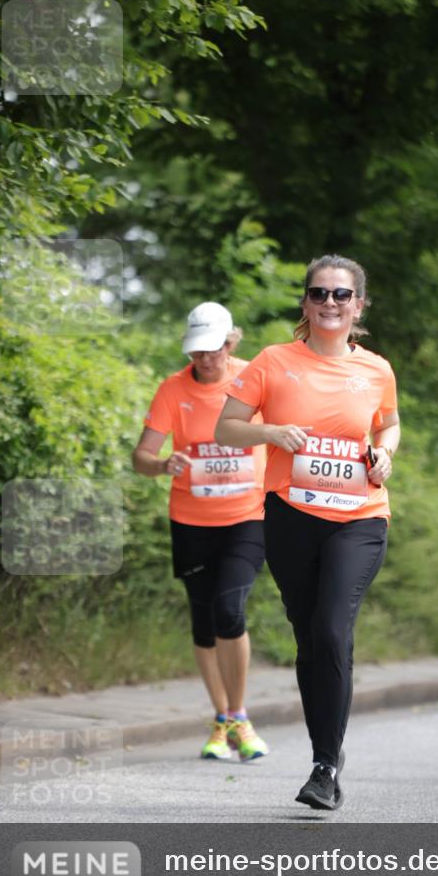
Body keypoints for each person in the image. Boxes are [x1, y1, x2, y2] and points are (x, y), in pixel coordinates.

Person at [215, 254, 399, 810]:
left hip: (360, 516)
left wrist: (384, 455)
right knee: (307, 637)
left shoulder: (376, 369)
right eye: (318, 294)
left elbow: (388, 424)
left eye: (341, 295)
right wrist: (271, 430)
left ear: (358, 305)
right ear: (306, 302)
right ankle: (327, 750)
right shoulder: (273, 361)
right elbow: (226, 427)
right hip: (292, 515)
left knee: (330, 627)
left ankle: (325, 766)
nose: (329, 303)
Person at [132, 302, 269, 762]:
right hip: (191, 520)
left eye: (213, 350)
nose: (204, 361)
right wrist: (162, 463)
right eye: (196, 353)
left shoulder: (254, 379)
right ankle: (222, 720)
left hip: (247, 515)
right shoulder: (172, 390)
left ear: (232, 343)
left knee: (230, 608)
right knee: (205, 623)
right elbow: (141, 457)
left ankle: (240, 715)